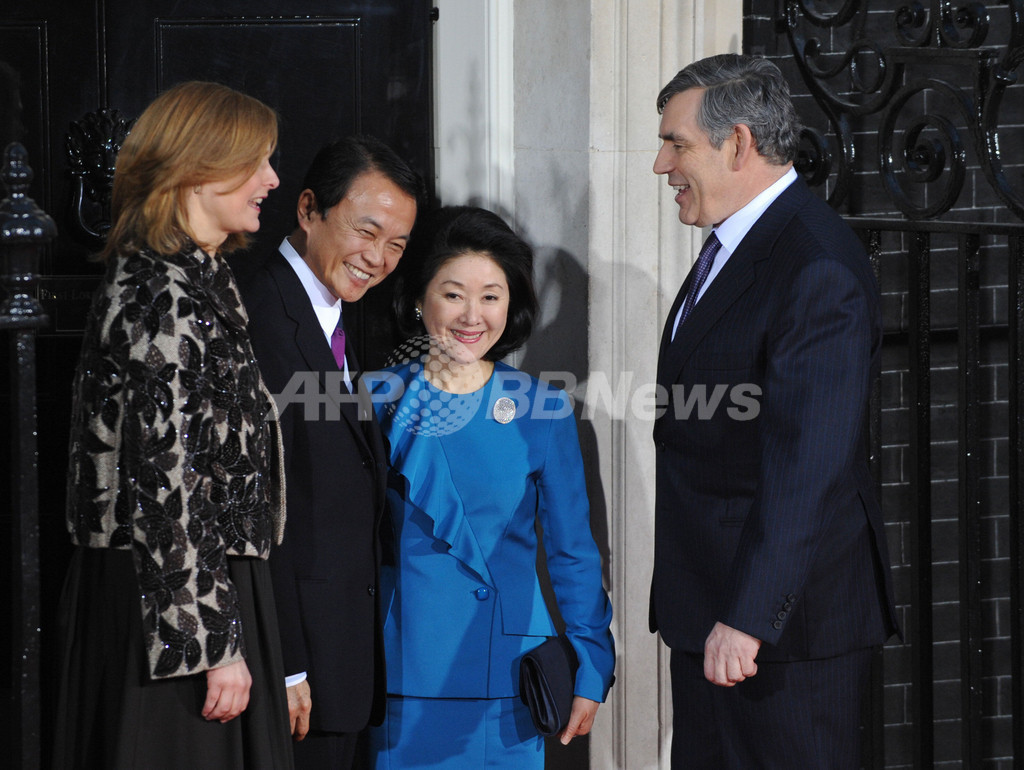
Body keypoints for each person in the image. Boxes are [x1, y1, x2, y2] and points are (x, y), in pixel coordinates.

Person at [648, 53, 900, 768]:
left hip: (780, 636)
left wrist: (748, 619)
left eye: (677, 143)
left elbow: (807, 463)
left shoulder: (814, 263)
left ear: (739, 143)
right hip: (715, 616)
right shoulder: (740, 245)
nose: (662, 165)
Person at [56, 81, 292, 768]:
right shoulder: (163, 292)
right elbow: (168, 476)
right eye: (257, 162)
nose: (272, 180)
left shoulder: (196, 280)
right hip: (169, 608)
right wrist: (211, 645)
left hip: (187, 588)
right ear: (198, 168)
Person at [363, 206, 615, 769]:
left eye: (491, 296)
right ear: (419, 298)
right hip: (403, 671)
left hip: (509, 680)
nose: (472, 315)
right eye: (453, 294)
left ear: (513, 304)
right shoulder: (374, 399)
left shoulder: (543, 409)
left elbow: (574, 553)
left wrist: (593, 665)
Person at [238, 135, 421, 768]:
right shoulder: (261, 320)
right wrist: (287, 665)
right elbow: (258, 510)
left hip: (339, 663)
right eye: (366, 232)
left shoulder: (332, 316)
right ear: (309, 208)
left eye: (396, 244)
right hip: (297, 668)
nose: (378, 258)